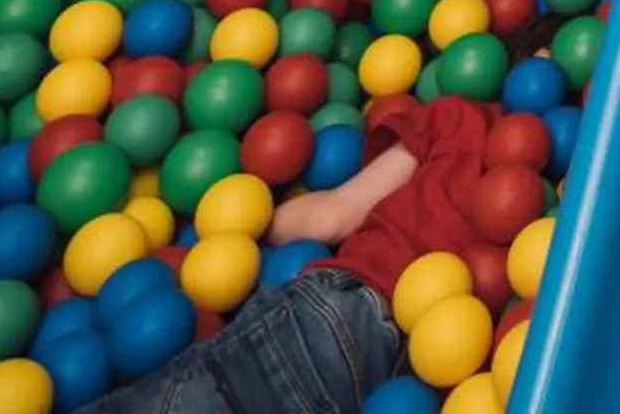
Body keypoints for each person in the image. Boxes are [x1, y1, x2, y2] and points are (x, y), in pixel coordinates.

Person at [77, 93, 509, 413]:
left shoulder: (463, 116)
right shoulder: (562, 209)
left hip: (348, 313)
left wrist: (261, 220)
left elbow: (333, 217)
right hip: (421, 380)